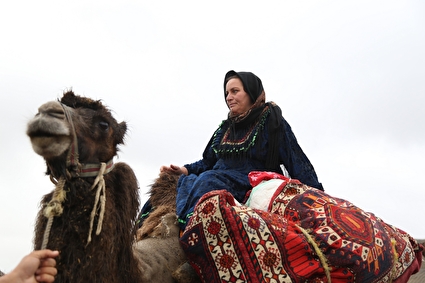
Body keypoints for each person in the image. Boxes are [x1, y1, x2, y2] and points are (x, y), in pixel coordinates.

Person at [141, 70, 323, 230]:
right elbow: (207, 162)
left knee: (207, 180)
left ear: (251, 93)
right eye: (227, 93)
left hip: (251, 181)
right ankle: (138, 234)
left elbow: (297, 161)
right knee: (172, 183)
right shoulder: (225, 128)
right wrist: (183, 170)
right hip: (216, 176)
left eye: (235, 91)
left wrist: (317, 198)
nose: (229, 97)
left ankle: (186, 228)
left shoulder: (272, 123)